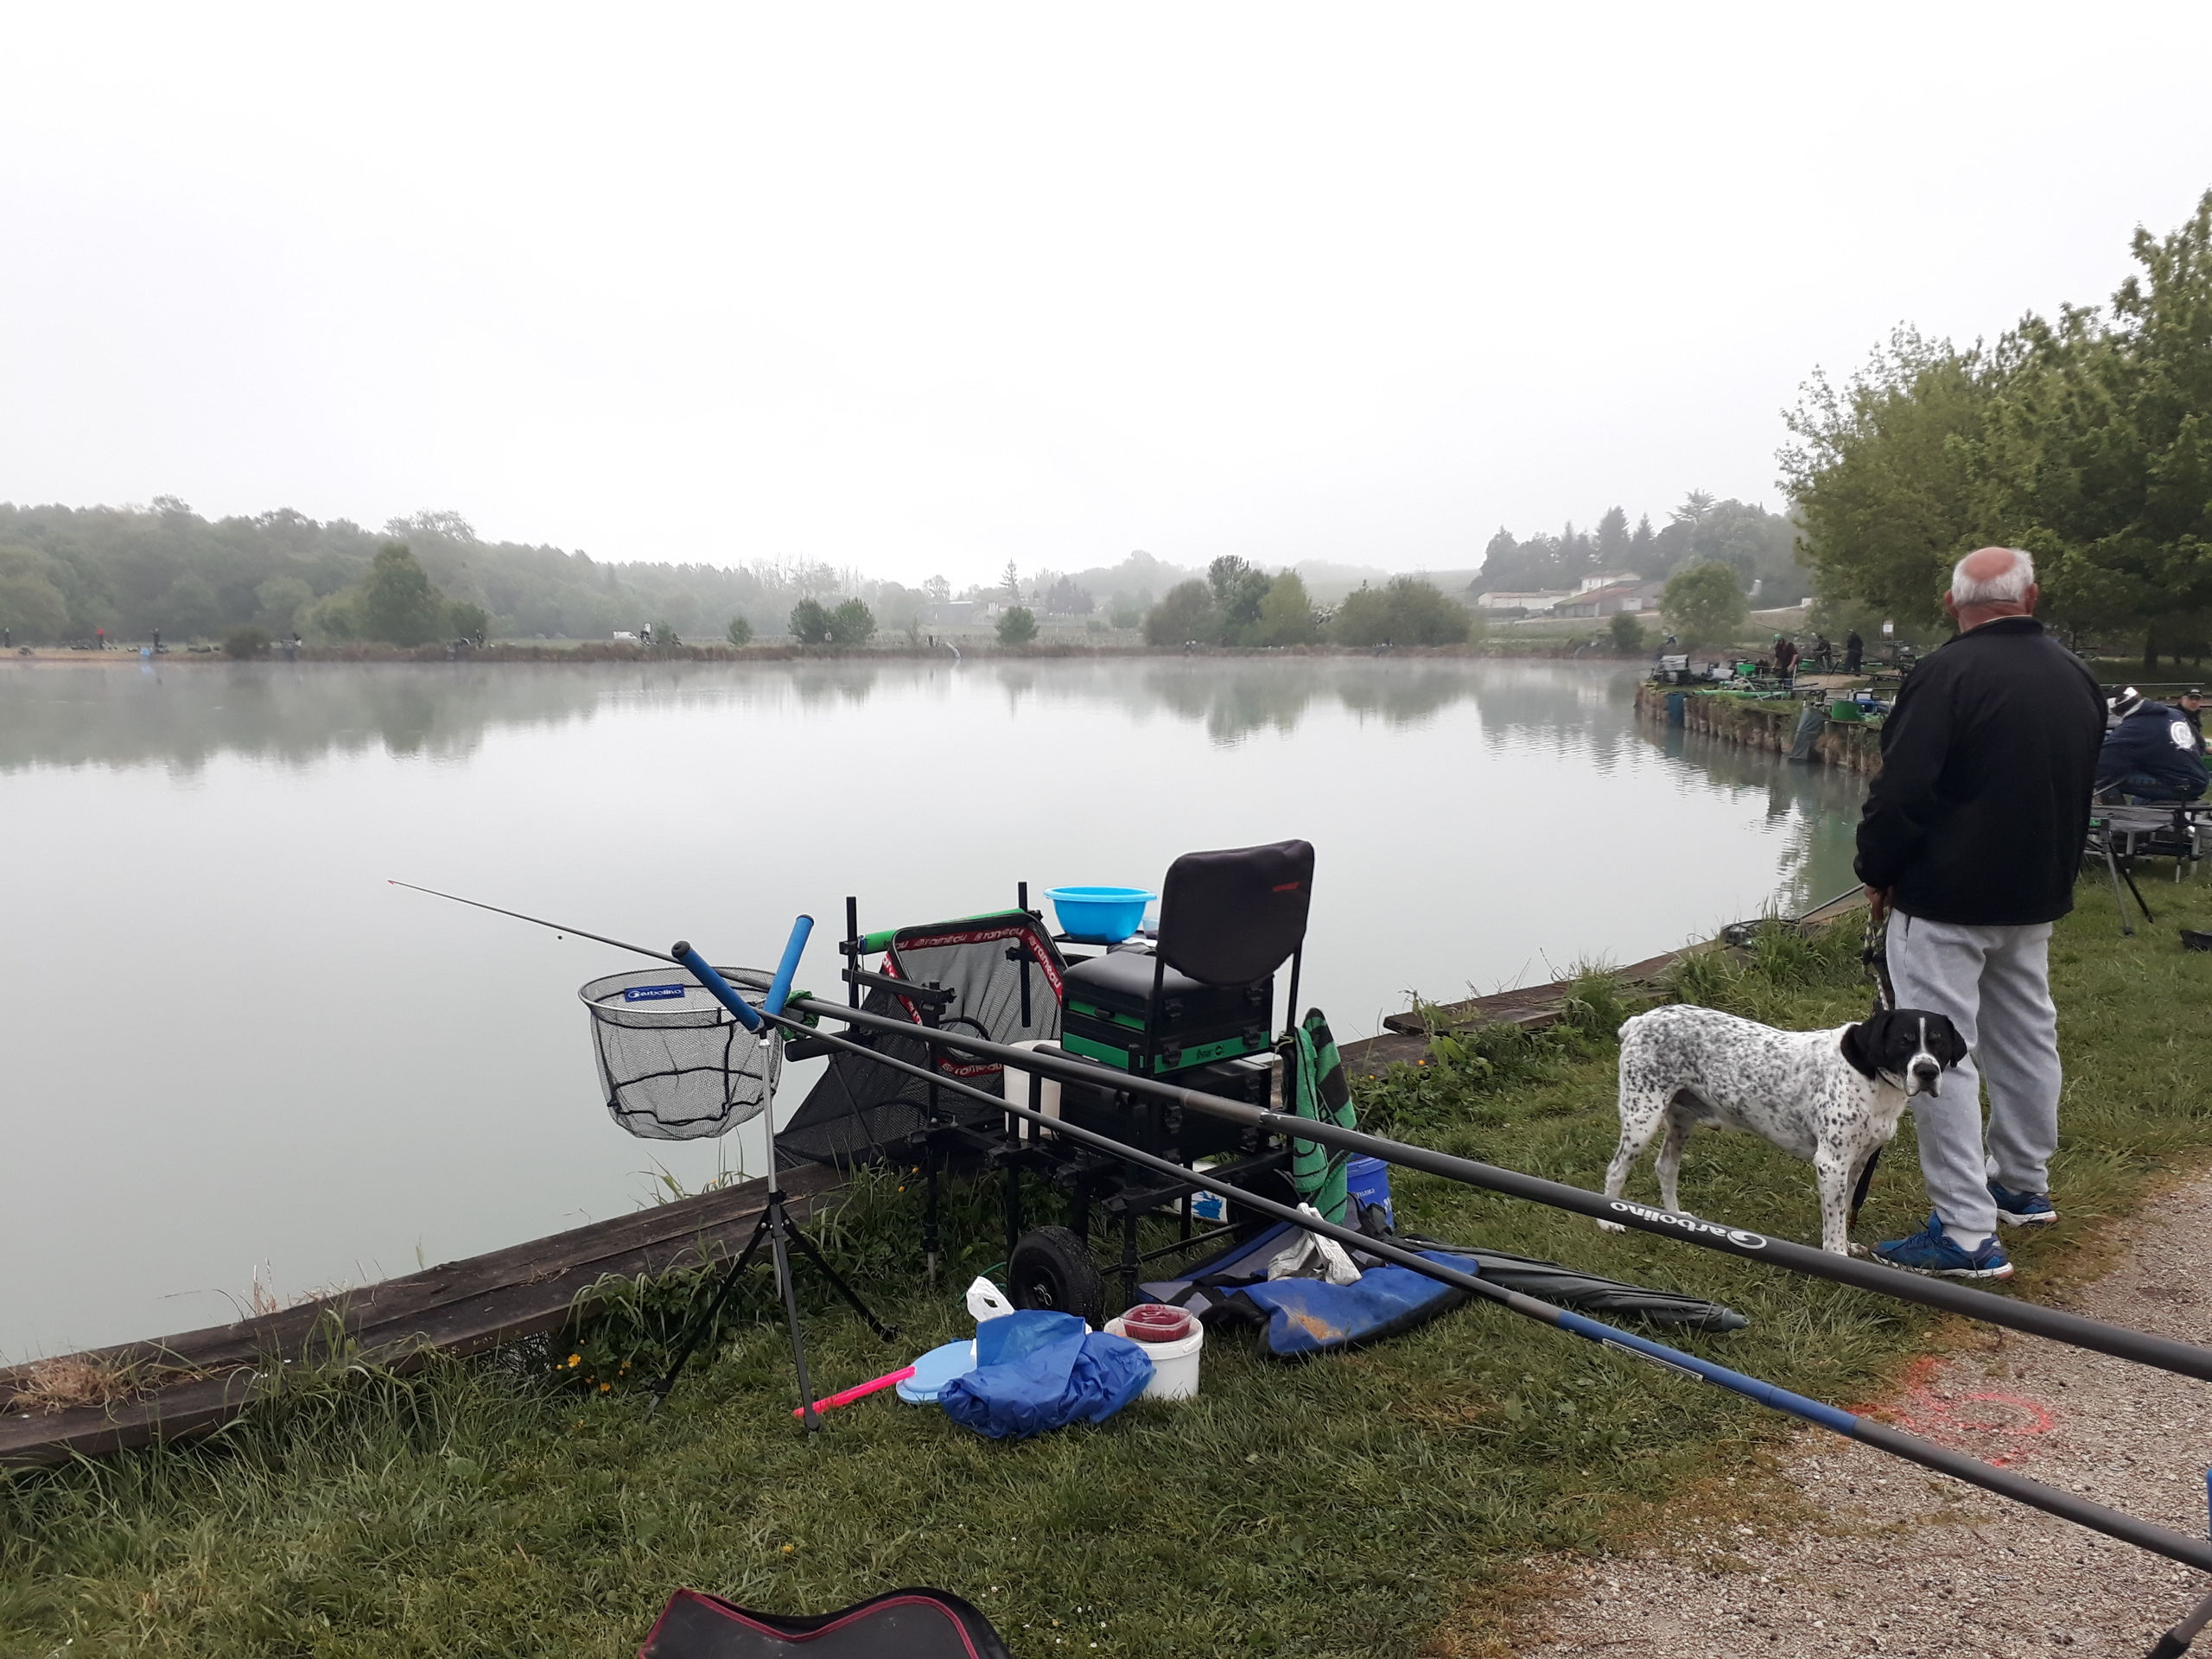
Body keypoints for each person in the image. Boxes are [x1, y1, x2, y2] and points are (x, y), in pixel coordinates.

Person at [1854, 547, 2104, 1278]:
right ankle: (2020, 1183)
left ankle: (1965, 1232)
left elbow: (1902, 791)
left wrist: (1877, 869)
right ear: (2031, 597)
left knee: (1935, 1053)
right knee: (2026, 1034)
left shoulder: (1944, 674)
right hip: (2036, 892)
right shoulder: (2075, 674)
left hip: (1946, 897)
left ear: (1950, 603)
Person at [2095, 688, 2208, 802]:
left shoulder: (2133, 728)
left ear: (2113, 708)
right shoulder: (2175, 714)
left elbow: (2103, 764)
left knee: (2107, 779)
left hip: (2178, 785)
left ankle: (2117, 813)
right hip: (2199, 778)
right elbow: (2201, 745)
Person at [2177, 687, 2207, 753]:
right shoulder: (2175, 716)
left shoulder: (2195, 715)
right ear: (2182, 700)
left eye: (2197, 699)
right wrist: (2205, 749)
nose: (2194, 702)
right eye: (2190, 698)